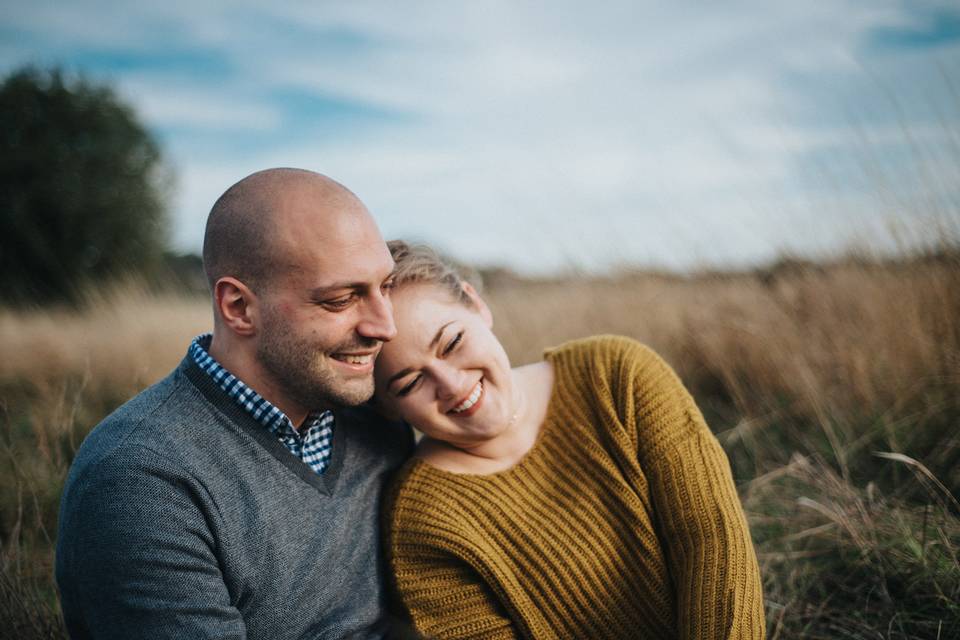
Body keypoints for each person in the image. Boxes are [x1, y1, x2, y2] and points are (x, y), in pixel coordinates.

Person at [55, 169, 414, 639]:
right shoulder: (140, 480)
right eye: (340, 299)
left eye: (385, 286)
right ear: (239, 307)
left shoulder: (379, 418)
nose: (384, 327)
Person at [374, 241, 766, 639]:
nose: (452, 384)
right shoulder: (422, 520)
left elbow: (710, 538)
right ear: (388, 406)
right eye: (410, 382)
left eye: (452, 342)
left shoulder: (616, 376)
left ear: (477, 305)